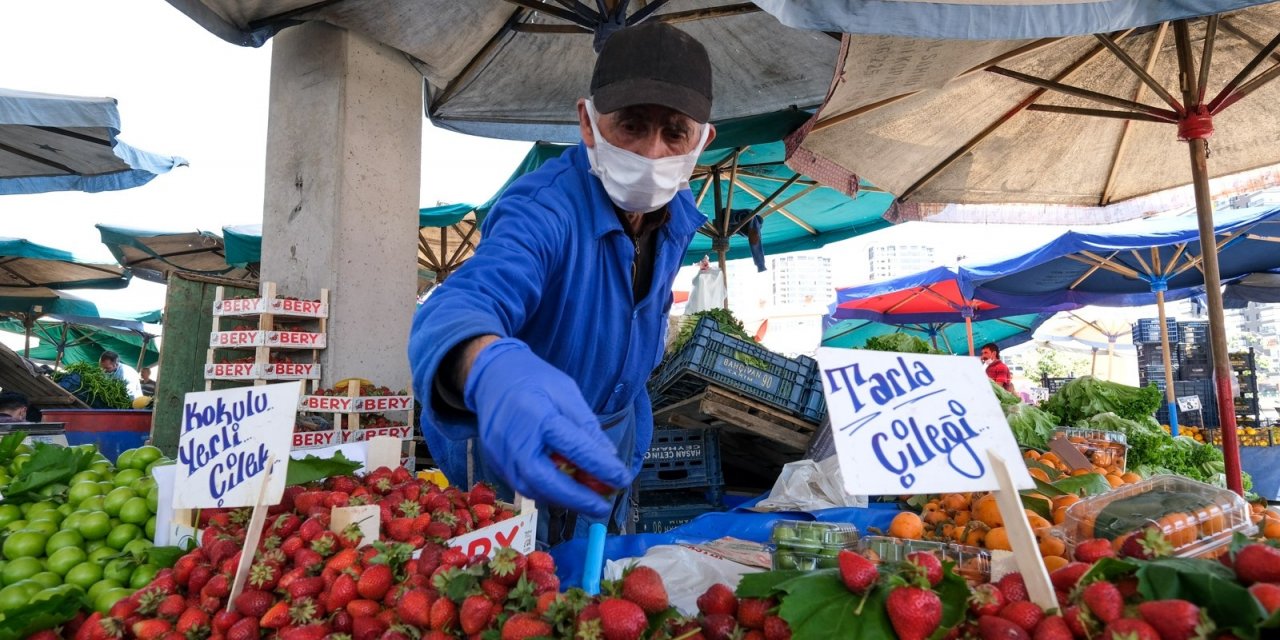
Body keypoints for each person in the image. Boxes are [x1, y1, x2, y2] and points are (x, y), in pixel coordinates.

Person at [408, 21, 715, 544]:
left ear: (702, 142)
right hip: (516, 438)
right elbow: (463, 301)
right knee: (519, 583)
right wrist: (490, 368)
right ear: (589, 123)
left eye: (675, 134)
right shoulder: (543, 209)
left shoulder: (680, 214)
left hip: (612, 432)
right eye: (632, 126)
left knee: (591, 585)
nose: (652, 154)